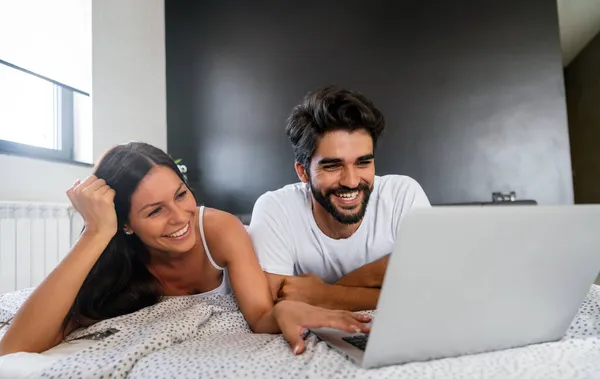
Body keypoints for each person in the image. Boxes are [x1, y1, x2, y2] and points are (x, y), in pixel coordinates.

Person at [0, 142, 370, 357]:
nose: (180, 218)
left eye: (181, 195)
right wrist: (96, 233)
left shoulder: (219, 229)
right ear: (124, 224)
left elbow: (260, 317)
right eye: (155, 211)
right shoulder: (113, 258)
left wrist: (287, 309)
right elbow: (13, 348)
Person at [248, 85, 431, 312]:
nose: (352, 181)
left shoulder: (403, 195)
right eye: (333, 166)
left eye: (363, 163)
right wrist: (383, 271)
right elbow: (277, 305)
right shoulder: (275, 209)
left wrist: (324, 294)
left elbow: (431, 292)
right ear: (303, 172)